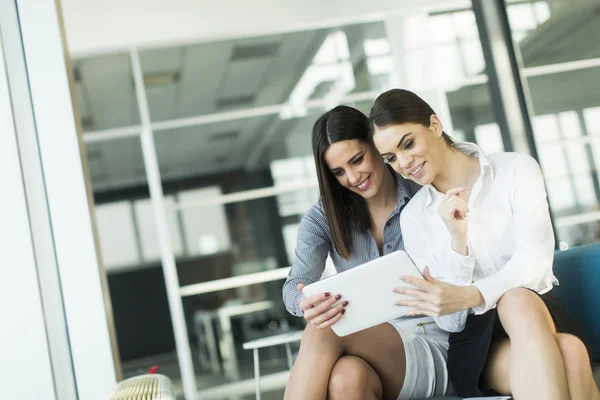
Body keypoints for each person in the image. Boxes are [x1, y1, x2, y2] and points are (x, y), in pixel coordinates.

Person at [369, 88, 600, 400]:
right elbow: (449, 319)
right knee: (569, 352)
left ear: (435, 125)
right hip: (477, 341)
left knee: (517, 300)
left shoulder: (516, 170)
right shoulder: (414, 218)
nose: (404, 163)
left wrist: (472, 293)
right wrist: (457, 243)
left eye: (408, 143)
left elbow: (535, 261)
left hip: (536, 312)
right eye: (391, 158)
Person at [282, 105, 453, 400]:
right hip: (375, 355)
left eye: (357, 159)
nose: (353, 176)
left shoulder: (423, 193)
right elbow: (292, 286)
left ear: (375, 144)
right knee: (347, 379)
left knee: (323, 330)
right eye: (338, 172)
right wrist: (304, 303)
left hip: (438, 342)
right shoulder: (323, 217)